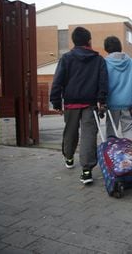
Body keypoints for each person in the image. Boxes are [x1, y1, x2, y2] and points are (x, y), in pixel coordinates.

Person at [50, 26, 108, 184]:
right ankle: (87, 171)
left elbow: (58, 81)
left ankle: (69, 158)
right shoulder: (98, 60)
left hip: (70, 103)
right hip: (90, 104)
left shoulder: (66, 58)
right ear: (89, 41)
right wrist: (102, 101)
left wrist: (56, 101)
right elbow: (103, 83)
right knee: (89, 135)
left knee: (70, 132)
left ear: (74, 41)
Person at [104, 36, 132, 141]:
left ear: (106, 48)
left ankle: (112, 155)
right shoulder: (131, 62)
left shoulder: (104, 62)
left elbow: (102, 83)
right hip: (128, 103)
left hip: (111, 104)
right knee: (128, 130)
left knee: (111, 131)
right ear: (120, 47)